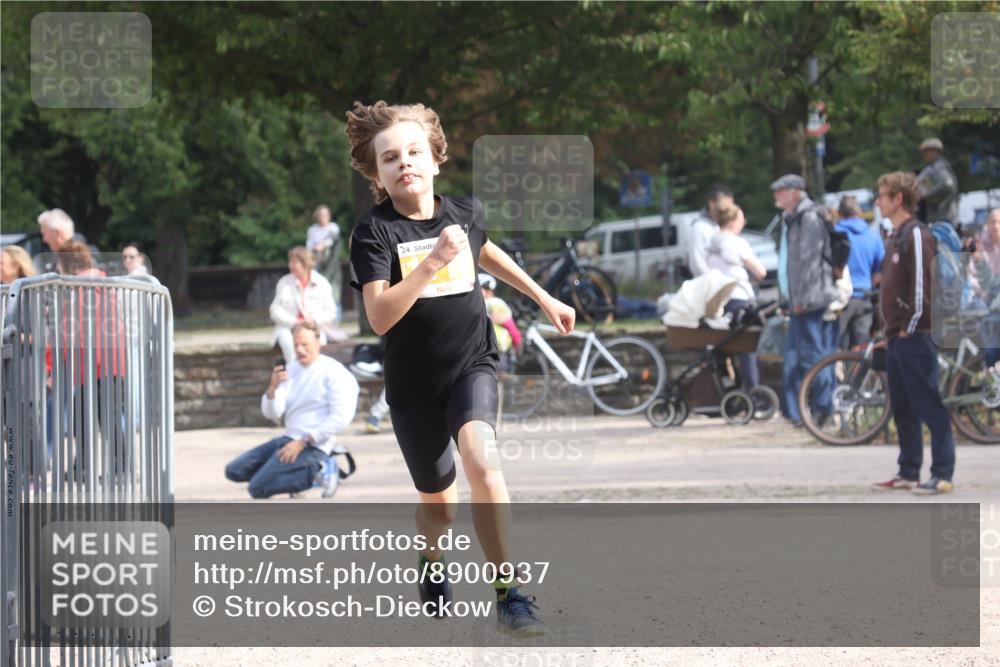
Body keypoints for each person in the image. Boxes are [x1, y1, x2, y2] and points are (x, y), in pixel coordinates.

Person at [347, 100, 575, 636]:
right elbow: (379, 317)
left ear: (434, 159)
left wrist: (545, 298)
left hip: (472, 362)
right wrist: (431, 262)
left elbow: (486, 252)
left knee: (482, 460)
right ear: (376, 173)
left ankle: (509, 594)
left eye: (412, 152)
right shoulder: (373, 233)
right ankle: (431, 559)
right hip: (413, 385)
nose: (403, 162)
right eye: (389, 158)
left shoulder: (465, 214)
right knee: (441, 508)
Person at [872, 172, 956, 495]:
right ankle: (909, 471)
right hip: (897, 338)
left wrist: (908, 329)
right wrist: (890, 333)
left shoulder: (917, 235)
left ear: (898, 199)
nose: (878, 201)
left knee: (929, 405)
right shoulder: (895, 236)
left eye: (883, 195)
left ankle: (943, 473)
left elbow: (923, 286)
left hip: (915, 337)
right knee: (903, 407)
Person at [225, 321, 359, 499]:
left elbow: (341, 417)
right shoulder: (291, 369)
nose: (300, 350)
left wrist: (303, 441)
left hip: (314, 444)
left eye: (305, 345)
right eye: (296, 345)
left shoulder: (335, 373)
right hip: (288, 439)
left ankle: (323, 468)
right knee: (234, 471)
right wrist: (272, 389)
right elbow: (273, 413)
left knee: (257, 488)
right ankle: (294, 474)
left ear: (318, 343)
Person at [773, 174, 839, 427]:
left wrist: (802, 300)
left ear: (794, 192)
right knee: (797, 357)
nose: (776, 197)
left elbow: (810, 264)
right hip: (800, 301)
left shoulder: (809, 218)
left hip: (811, 301)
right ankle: (799, 413)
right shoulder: (793, 219)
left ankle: (824, 410)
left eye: (780, 192)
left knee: (814, 357)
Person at [706, 204, 766, 390]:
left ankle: (729, 388)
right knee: (747, 348)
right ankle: (753, 391)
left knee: (723, 348)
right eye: (742, 219)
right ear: (733, 222)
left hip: (717, 300)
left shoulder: (712, 242)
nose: (744, 223)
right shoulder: (737, 243)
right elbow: (760, 271)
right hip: (739, 299)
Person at [270, 246, 342, 364]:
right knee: (289, 343)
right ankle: (296, 373)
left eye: (295, 262)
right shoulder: (284, 282)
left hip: (315, 328)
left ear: (305, 263)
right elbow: (275, 310)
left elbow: (331, 312)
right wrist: (294, 322)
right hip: (289, 328)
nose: (291, 265)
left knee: (319, 344)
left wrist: (313, 321)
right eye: (290, 262)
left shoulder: (322, 283)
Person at [835, 196, 885, 347]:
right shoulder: (873, 236)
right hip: (865, 297)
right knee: (861, 350)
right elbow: (879, 274)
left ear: (839, 213)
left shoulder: (835, 234)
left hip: (840, 299)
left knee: (837, 350)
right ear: (860, 213)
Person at [687, 185, 735, 278]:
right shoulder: (700, 228)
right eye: (725, 205)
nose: (729, 210)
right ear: (712, 203)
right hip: (713, 287)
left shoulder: (722, 226)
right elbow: (697, 263)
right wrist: (714, 284)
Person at [306, 204, 343, 321]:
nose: (323, 217)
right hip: (317, 265)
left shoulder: (333, 227)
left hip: (331, 266)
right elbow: (309, 246)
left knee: (334, 293)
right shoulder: (312, 230)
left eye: (325, 215)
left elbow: (331, 241)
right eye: (321, 215)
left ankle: (336, 320)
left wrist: (322, 245)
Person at [915, 138, 959, 227]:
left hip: (943, 218)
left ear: (935, 151)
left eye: (926, 151)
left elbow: (948, 184)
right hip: (940, 218)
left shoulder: (940, 165)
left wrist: (925, 194)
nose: (923, 154)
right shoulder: (934, 167)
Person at [479, 272, 523, 360]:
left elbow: (509, 323)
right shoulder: (482, 303)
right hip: (487, 349)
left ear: (488, 290)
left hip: (496, 351)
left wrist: (517, 340)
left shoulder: (494, 303)